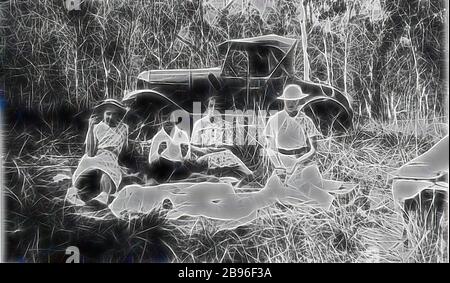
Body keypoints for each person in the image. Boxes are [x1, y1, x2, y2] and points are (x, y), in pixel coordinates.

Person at [264, 84, 339, 209]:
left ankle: (329, 201)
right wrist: (279, 167)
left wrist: (297, 163)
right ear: (284, 101)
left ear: (299, 101)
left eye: (294, 100)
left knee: (304, 182)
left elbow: (314, 149)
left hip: (303, 160)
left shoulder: (306, 120)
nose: (291, 103)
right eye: (288, 100)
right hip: (282, 162)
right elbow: (270, 148)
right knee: (273, 191)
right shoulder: (275, 119)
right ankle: (317, 203)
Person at [66, 99, 129, 206]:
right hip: (96, 155)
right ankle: (73, 193)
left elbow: (125, 149)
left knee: (108, 171)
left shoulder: (123, 128)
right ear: (103, 113)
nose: (111, 117)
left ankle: (103, 196)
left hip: (110, 157)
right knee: (86, 164)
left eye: (115, 114)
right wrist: (90, 128)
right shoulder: (96, 127)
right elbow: (90, 153)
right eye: (108, 114)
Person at [190, 96, 252, 177]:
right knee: (227, 156)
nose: (212, 109)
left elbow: (229, 147)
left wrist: (217, 148)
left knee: (228, 156)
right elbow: (194, 149)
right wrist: (209, 150)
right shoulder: (200, 124)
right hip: (203, 158)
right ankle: (250, 175)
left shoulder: (227, 125)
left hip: (221, 156)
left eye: (216, 107)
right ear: (207, 107)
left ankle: (248, 175)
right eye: (211, 106)